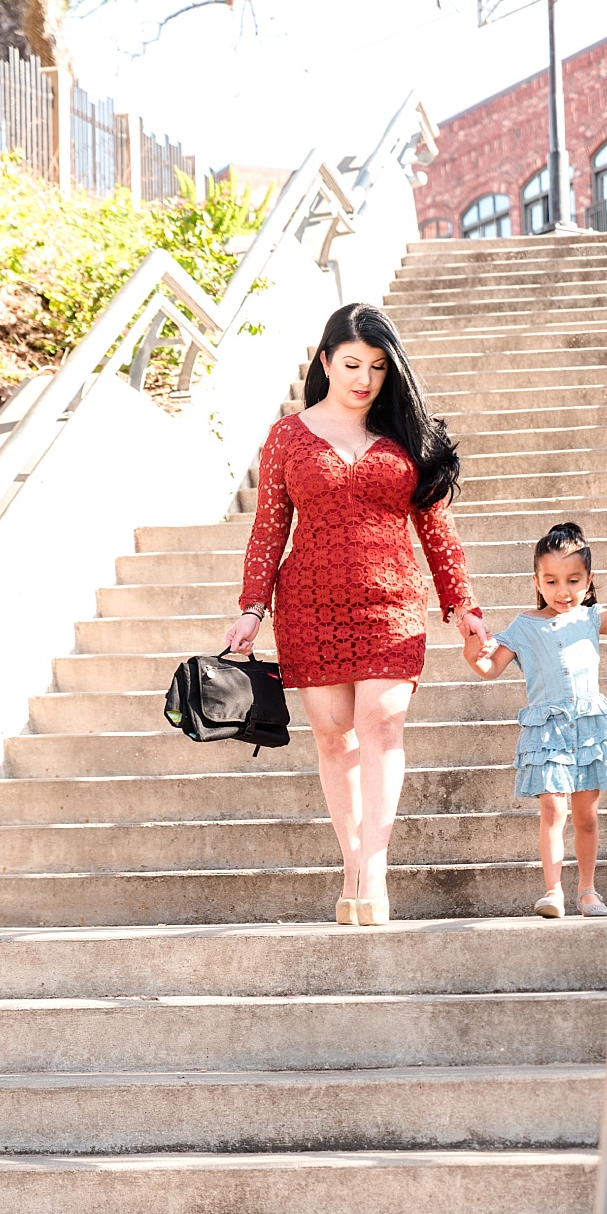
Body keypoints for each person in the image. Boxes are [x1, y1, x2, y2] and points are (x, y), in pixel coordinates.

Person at [226, 302, 485, 926]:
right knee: (335, 738)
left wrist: (462, 605)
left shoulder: (404, 436)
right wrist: (252, 609)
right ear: (324, 362)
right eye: (351, 364)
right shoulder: (288, 436)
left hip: (392, 601)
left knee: (382, 725)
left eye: (375, 366)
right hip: (309, 604)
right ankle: (351, 868)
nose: (363, 379)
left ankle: (376, 870)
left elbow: (437, 528)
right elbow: (269, 527)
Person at [464, 521, 607, 917]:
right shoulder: (523, 627)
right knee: (552, 809)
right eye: (551, 581)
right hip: (547, 731)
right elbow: (488, 668)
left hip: (588, 728)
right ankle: (553, 891)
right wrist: (471, 646)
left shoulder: (593, 618)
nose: (562, 591)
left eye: (573, 580)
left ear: (589, 579)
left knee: (586, 816)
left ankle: (587, 890)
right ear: (537, 580)